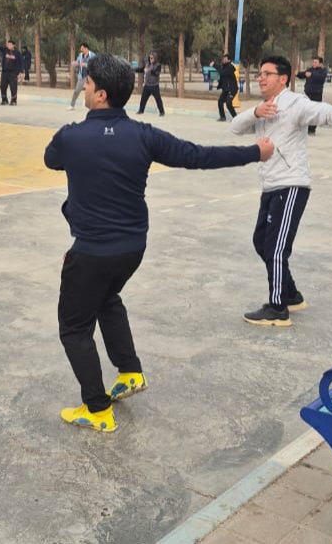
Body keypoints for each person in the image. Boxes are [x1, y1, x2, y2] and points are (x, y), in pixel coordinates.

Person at [44, 53, 275, 432]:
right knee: (106, 299)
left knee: (73, 328)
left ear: (100, 94)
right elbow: (198, 156)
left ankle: (97, 409)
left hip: (91, 252)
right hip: (132, 248)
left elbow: (51, 160)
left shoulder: (70, 137)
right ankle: (130, 371)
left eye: (88, 84)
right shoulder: (144, 135)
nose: (84, 89)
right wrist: (256, 153)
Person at [230, 54, 332, 326]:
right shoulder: (263, 108)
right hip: (270, 185)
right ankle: (291, 294)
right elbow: (235, 127)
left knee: (276, 248)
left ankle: (278, 308)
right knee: (261, 242)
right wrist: (255, 112)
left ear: (283, 79)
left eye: (267, 74)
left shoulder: (295, 104)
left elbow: (324, 113)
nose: (261, 78)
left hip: (291, 185)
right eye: (260, 74)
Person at [296, 55, 328, 135]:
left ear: (320, 63)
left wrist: (312, 74)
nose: (314, 63)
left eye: (316, 62)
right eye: (313, 62)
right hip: (307, 94)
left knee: (315, 112)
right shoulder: (310, 70)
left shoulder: (323, 71)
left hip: (317, 94)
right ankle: (306, 128)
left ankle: (312, 130)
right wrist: (297, 74)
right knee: (306, 111)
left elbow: (321, 78)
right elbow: (303, 74)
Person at [0, 34, 23, 105]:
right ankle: (4, 100)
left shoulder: (17, 53)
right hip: (4, 72)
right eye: (8, 45)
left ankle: (13, 100)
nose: (9, 46)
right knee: (2, 86)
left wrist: (21, 72)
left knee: (13, 87)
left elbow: (21, 63)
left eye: (10, 45)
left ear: (14, 45)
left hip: (13, 73)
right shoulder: (5, 50)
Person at [136, 52, 164, 116]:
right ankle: (141, 110)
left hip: (154, 86)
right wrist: (134, 70)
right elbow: (141, 69)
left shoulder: (158, 65)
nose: (150, 59)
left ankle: (162, 112)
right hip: (147, 86)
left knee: (158, 99)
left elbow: (156, 73)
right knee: (143, 99)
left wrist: (149, 70)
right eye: (150, 58)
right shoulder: (147, 64)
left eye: (152, 58)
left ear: (155, 58)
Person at [68, 42, 95, 110]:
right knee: (76, 91)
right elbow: (77, 62)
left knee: (90, 92)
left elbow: (94, 65)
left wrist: (85, 65)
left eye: (82, 48)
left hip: (90, 76)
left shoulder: (92, 55)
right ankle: (72, 105)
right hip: (82, 76)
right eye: (81, 48)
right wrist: (75, 63)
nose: (81, 50)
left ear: (86, 48)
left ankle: (89, 105)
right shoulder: (80, 55)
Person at [216, 53, 239, 120]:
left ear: (229, 60)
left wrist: (216, 66)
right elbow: (220, 70)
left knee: (228, 103)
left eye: (225, 59)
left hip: (232, 89)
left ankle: (235, 118)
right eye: (223, 59)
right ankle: (222, 117)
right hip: (226, 89)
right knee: (220, 102)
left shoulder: (230, 67)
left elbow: (222, 73)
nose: (224, 60)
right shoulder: (223, 66)